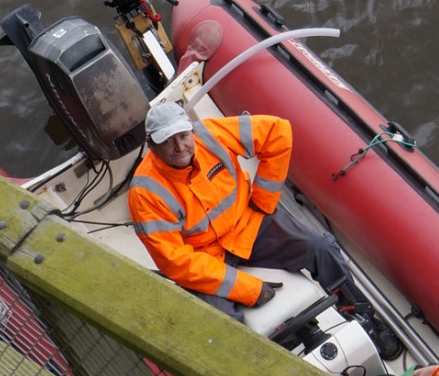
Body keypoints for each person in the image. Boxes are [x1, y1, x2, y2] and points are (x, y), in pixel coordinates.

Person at [128, 100, 400, 353]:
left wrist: (263, 199)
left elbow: (277, 132)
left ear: (191, 131)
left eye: (183, 136)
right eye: (168, 141)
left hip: (249, 224)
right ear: (152, 146)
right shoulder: (145, 193)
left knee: (320, 248)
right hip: (205, 259)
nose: (180, 147)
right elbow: (177, 262)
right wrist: (249, 289)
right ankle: (265, 365)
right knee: (221, 323)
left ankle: (361, 314)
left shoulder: (211, 134)